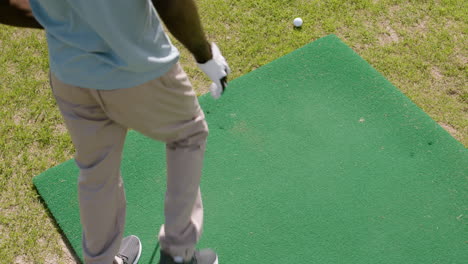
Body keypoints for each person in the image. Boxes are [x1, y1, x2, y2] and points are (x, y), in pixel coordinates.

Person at [0, 0, 230, 263]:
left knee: (97, 169)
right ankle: (179, 252)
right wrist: (205, 54)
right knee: (188, 136)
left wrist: (66, 22)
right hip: (140, 67)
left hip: (71, 72)